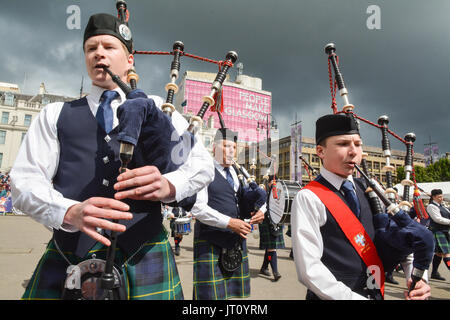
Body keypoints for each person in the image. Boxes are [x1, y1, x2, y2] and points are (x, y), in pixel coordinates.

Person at [10, 13, 214, 300]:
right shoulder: (55, 114)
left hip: (145, 253)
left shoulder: (155, 108)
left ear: (130, 60)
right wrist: (68, 211)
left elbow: (202, 165)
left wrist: (169, 185)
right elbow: (24, 182)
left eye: (108, 46)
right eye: (91, 48)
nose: (99, 54)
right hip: (70, 254)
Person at [291, 113, 431, 300]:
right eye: (342, 144)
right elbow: (308, 269)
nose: (353, 151)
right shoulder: (309, 197)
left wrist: (418, 277)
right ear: (320, 151)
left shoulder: (370, 188)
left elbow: (402, 237)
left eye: (357, 144)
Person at [190, 128, 266, 300]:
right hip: (211, 240)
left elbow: (250, 199)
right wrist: (229, 223)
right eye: (226, 146)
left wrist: (261, 210)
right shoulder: (204, 170)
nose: (231, 151)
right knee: (208, 296)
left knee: (231, 296)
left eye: (234, 147)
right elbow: (198, 208)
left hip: (235, 241)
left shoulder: (238, 172)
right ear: (214, 149)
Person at [259, 178, 284, 281]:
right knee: (271, 248)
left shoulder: (279, 193)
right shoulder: (263, 193)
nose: (275, 184)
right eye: (272, 182)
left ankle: (264, 267)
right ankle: (275, 272)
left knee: (269, 249)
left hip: (276, 222)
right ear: (268, 183)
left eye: (276, 182)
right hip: (266, 223)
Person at [426, 189, 450, 281]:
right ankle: (435, 272)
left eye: (442, 196)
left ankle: (434, 272)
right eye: (439, 197)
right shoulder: (431, 206)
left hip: (444, 231)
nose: (441, 198)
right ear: (433, 197)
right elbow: (437, 219)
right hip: (438, 231)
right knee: (446, 254)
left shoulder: (442, 206)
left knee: (439, 254)